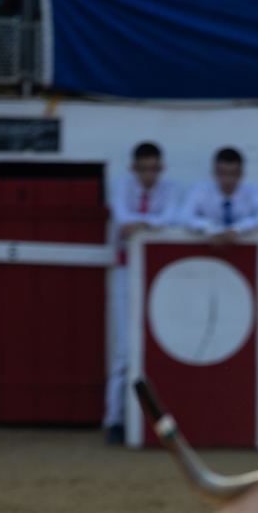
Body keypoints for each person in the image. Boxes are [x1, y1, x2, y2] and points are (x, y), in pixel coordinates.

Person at [105, 142, 182, 444]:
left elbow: (171, 221)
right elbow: (124, 223)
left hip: (157, 276)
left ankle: (151, 422)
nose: (149, 175)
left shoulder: (170, 189)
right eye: (144, 169)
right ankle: (114, 420)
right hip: (125, 274)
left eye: (154, 169)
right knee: (124, 351)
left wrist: (142, 225)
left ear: (160, 169)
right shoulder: (120, 187)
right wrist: (153, 225)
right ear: (134, 169)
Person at [179, 148, 258, 244]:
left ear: (241, 174)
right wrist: (207, 227)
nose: (227, 179)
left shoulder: (254, 191)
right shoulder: (200, 190)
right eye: (222, 173)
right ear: (214, 172)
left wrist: (241, 227)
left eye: (233, 174)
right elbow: (183, 217)